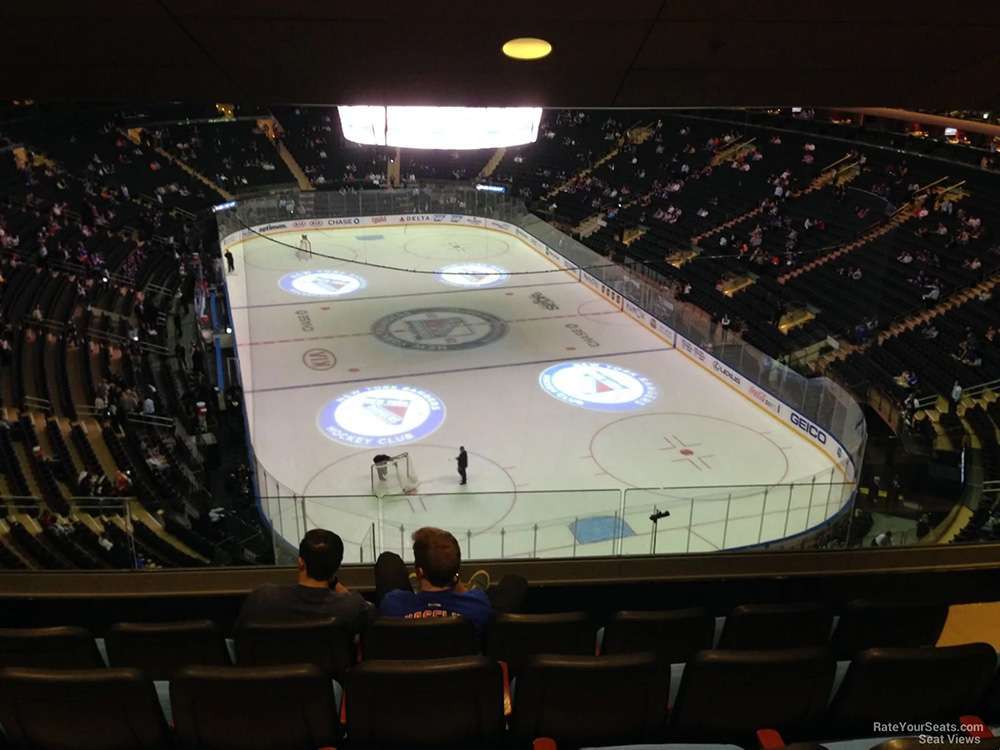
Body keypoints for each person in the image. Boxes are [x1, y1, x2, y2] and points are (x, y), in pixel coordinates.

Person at [376, 527, 526, 635]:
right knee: (514, 582)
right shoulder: (477, 605)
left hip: (409, 675)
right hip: (460, 677)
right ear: (456, 572)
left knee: (387, 560)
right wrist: (460, 584)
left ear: (420, 571)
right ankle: (473, 587)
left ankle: (418, 588)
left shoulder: (393, 604)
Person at [236, 528, 372, 632]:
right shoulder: (351, 606)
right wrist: (336, 584)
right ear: (337, 566)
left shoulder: (262, 597)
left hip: (271, 668)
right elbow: (371, 616)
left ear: (301, 562)